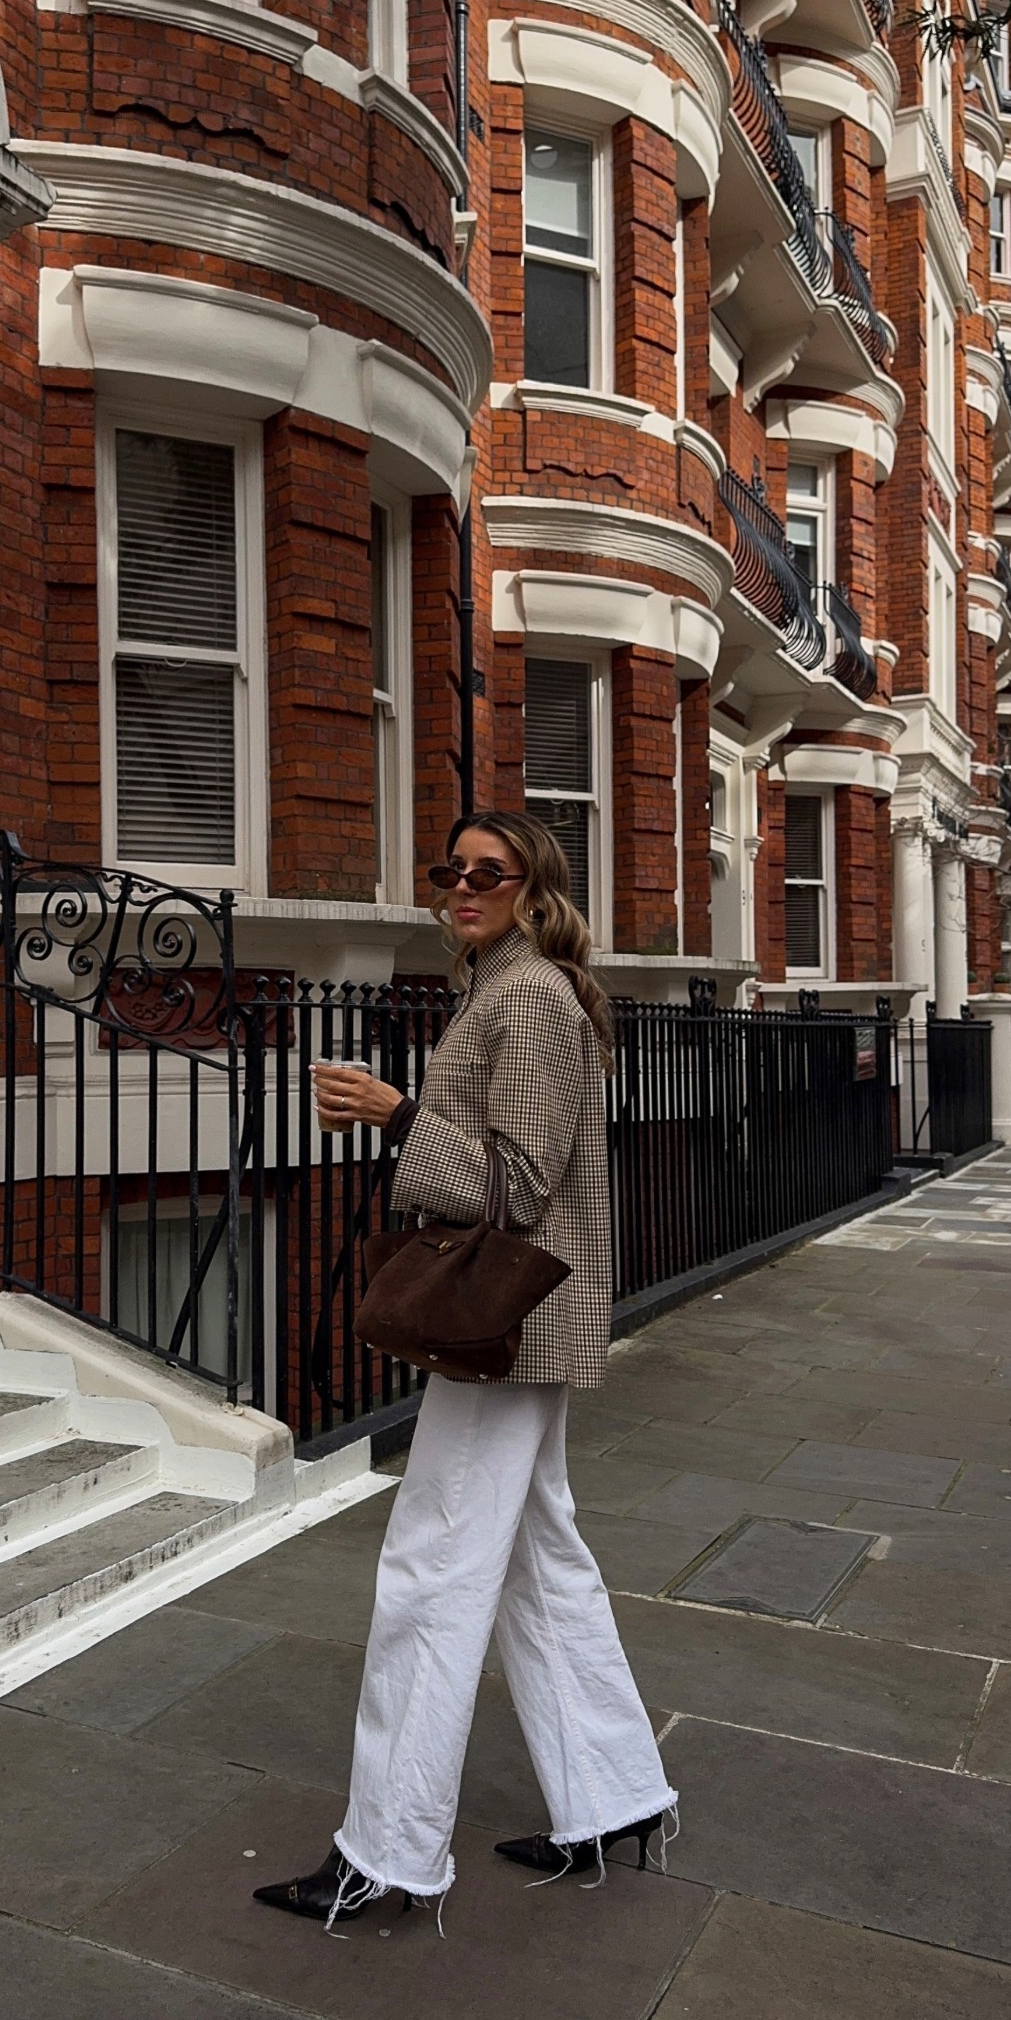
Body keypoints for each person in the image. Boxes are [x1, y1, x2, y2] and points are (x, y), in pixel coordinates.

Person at [253, 810, 677, 1932]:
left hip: (511, 1321)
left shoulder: (530, 995)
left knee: (431, 1570)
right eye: (452, 870)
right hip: (521, 1325)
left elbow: (523, 1182)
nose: (465, 886)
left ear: (534, 884)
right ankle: (614, 1794)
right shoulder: (508, 987)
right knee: (542, 1562)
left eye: (490, 870)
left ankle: (386, 1852)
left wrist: (398, 1116)